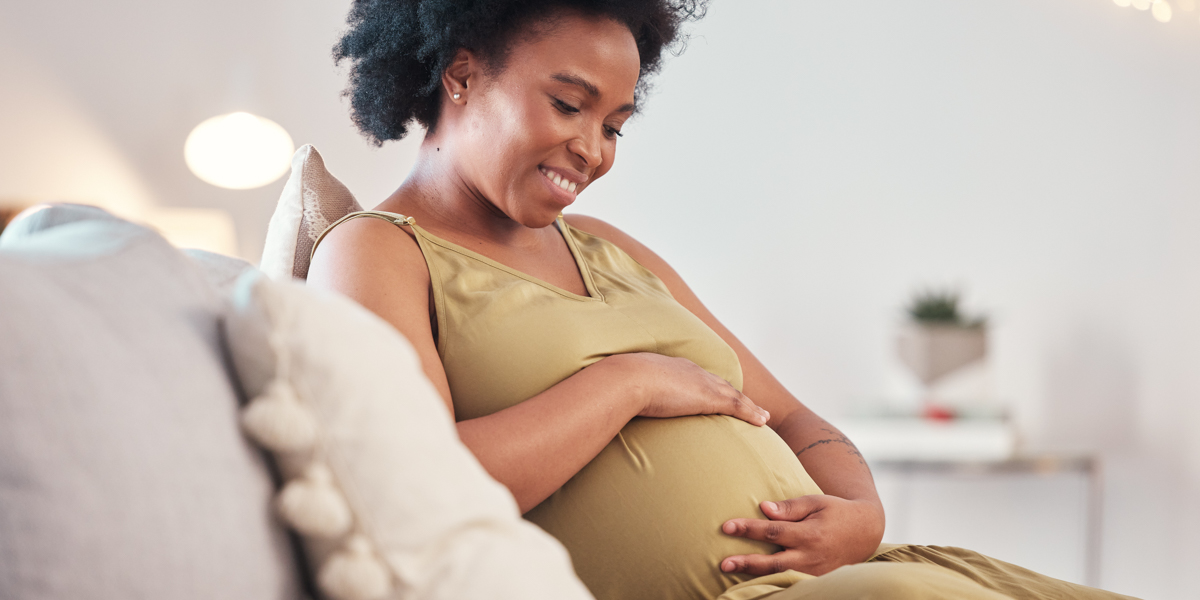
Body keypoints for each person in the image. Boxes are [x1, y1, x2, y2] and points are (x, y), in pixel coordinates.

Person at [306, 1, 1137, 599]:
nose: (593, 150)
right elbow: (414, 485)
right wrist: (626, 381)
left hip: (852, 576)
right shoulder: (377, 250)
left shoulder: (608, 246)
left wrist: (862, 513)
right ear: (461, 74)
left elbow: (798, 420)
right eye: (568, 105)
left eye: (616, 125)